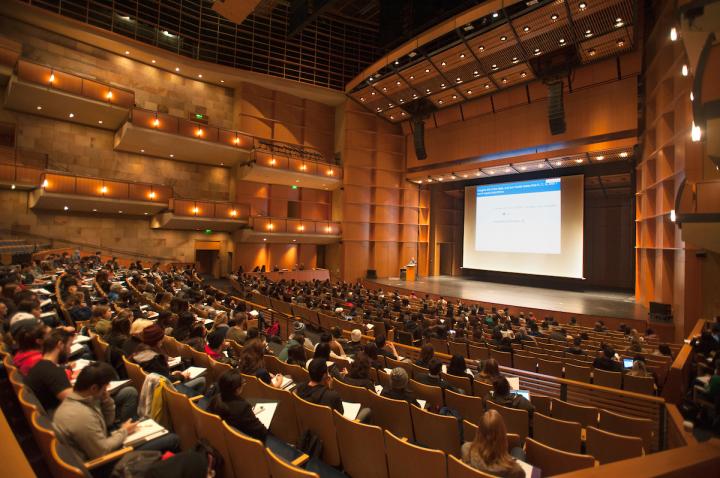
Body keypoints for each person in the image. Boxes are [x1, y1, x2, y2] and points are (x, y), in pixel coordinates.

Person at [53, 362, 179, 461]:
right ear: (94, 388)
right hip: (104, 463)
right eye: (105, 388)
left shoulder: (83, 399)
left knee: (148, 422)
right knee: (172, 439)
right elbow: (102, 451)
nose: (106, 390)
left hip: (102, 445)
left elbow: (107, 422)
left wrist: (106, 399)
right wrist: (124, 431)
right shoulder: (80, 415)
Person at [461, 409, 525, 478]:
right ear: (503, 434)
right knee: (518, 450)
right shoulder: (515, 471)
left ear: (479, 431)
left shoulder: (466, 450)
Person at [208, 369, 267, 442]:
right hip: (243, 442)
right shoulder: (243, 407)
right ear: (237, 389)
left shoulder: (215, 400)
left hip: (223, 439)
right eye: (242, 383)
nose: (243, 384)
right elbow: (261, 432)